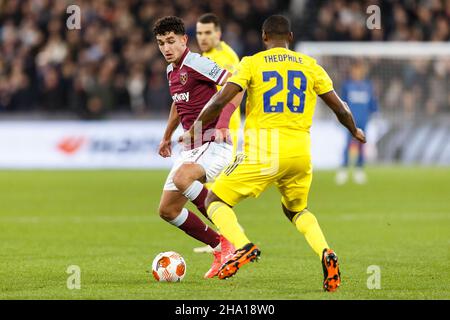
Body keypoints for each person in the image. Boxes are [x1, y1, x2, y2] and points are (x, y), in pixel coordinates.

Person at [181, 15, 366, 292]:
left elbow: (221, 99)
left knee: (214, 200)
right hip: (300, 153)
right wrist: (355, 131)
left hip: (264, 151)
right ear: (290, 37)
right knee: (296, 210)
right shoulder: (310, 66)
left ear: (264, 37)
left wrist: (196, 128)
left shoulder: (251, 63)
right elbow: (340, 108)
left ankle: (242, 246)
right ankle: (326, 252)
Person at [153, 16, 240, 278]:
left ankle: (233, 239)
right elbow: (177, 103)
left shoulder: (197, 63)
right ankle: (219, 246)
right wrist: (167, 135)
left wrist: (224, 122)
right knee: (167, 210)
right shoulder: (172, 70)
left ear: (183, 40)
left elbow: (235, 87)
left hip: (214, 141)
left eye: (170, 42)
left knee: (182, 178)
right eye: (160, 43)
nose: (166, 48)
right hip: (192, 146)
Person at [192, 13, 243, 255]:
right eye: (199, 33)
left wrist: (221, 125)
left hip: (222, 133)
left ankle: (231, 241)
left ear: (218, 34)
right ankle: (227, 238)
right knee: (209, 188)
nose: (203, 37)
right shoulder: (207, 57)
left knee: (214, 191)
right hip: (209, 130)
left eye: (208, 33)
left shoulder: (224, 58)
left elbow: (230, 94)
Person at [335, 60, 378, 185]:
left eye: (359, 70)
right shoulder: (347, 86)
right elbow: (341, 103)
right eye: (355, 70)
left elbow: (372, 104)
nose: (357, 73)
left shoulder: (368, 86)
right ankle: (343, 169)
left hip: (363, 121)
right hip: (350, 122)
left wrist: (375, 115)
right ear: (352, 71)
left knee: (361, 145)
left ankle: (359, 169)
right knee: (347, 144)